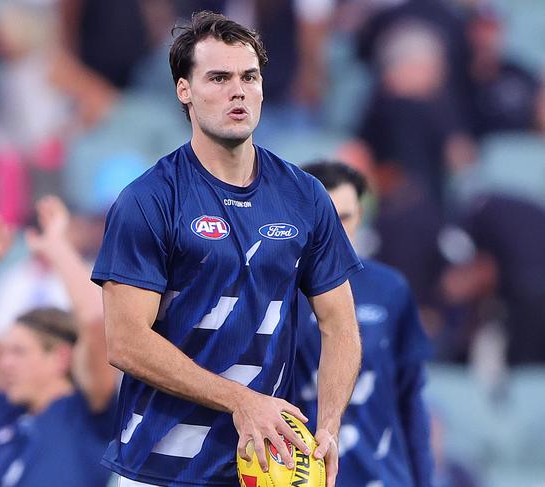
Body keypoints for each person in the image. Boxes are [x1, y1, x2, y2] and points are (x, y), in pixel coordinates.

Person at [91, 11, 363, 487]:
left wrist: (328, 425)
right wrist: (241, 400)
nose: (238, 90)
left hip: (263, 469)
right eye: (218, 77)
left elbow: (340, 323)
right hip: (159, 470)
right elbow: (126, 342)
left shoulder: (305, 195)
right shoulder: (149, 199)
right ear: (184, 90)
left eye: (249, 77)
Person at [0, 196, 118, 487]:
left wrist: (57, 247)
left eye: (19, 352)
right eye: (4, 352)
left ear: (60, 357)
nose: (4, 363)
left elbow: (94, 322)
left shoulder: (88, 411)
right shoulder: (5, 412)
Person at [294, 161, 434, 486]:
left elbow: (410, 396)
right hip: (301, 473)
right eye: (324, 216)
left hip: (382, 473)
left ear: (360, 216)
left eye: (344, 217)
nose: (335, 230)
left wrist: (423, 480)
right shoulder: (271, 288)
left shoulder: (390, 289)